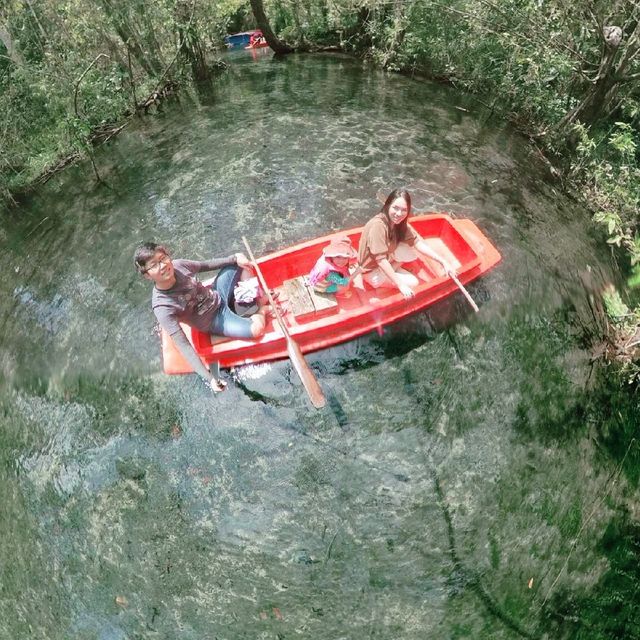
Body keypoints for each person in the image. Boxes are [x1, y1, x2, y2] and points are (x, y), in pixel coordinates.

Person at [134, 242, 268, 393]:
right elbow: (183, 345)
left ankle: (253, 299)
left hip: (217, 294)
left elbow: (207, 265)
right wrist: (210, 378)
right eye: (154, 265)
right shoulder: (163, 307)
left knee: (241, 265)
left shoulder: (179, 266)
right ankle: (262, 309)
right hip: (214, 320)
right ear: (147, 275)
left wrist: (235, 258)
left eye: (163, 258)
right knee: (257, 330)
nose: (163, 265)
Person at [357, 188, 456, 299]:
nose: (399, 214)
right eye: (395, 208)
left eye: (404, 210)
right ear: (387, 205)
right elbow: (380, 260)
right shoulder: (378, 226)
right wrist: (400, 285)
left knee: (413, 247)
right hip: (372, 271)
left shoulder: (398, 223)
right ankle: (380, 282)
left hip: (386, 258)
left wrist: (443, 262)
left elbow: (417, 243)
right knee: (413, 282)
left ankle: (390, 272)